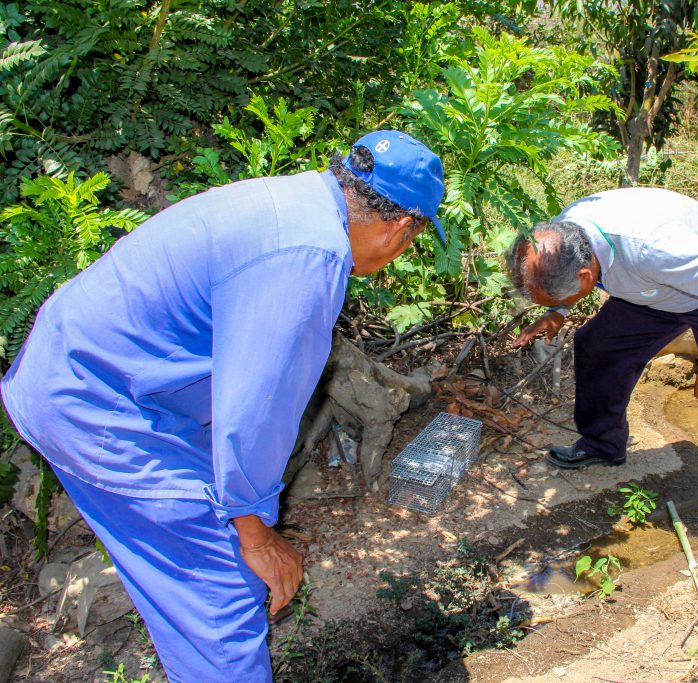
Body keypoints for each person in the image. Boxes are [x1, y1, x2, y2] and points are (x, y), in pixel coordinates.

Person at [1, 131, 445, 680]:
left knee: (207, 549)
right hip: (97, 406)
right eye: (412, 241)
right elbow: (259, 410)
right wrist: (254, 530)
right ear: (401, 228)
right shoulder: (308, 259)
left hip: (94, 377)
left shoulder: (296, 200)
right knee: (221, 583)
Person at [506, 187, 698, 594]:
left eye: (559, 297)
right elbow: (556, 274)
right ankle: (603, 444)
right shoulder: (565, 232)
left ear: (587, 278)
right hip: (653, 292)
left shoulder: (653, 246)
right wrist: (557, 311)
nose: (554, 303)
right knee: (597, 345)